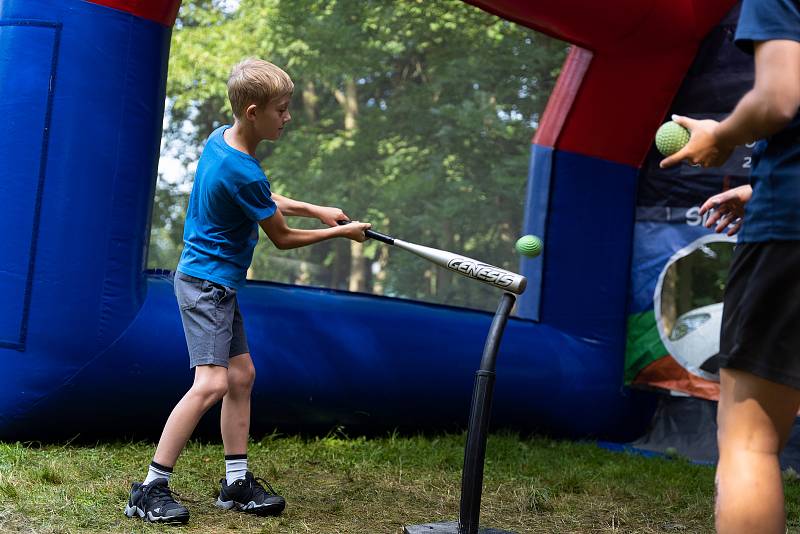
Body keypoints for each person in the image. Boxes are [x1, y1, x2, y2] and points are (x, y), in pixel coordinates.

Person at [124, 58, 371, 524]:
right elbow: (281, 236)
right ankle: (150, 488)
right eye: (282, 109)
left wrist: (317, 210)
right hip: (206, 286)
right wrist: (342, 233)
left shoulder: (223, 140)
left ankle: (235, 482)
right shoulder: (244, 170)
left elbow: (263, 198)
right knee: (213, 382)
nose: (288, 117)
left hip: (215, 283)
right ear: (254, 111)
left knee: (241, 378)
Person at [660, 0, 800, 531]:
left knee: (749, 442)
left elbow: (780, 97)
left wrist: (720, 137)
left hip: (790, 228)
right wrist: (755, 185)